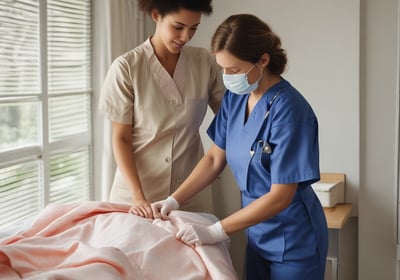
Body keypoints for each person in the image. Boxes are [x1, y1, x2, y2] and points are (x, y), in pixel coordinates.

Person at [151, 14, 329, 280]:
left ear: (263, 61)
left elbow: (281, 195)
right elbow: (214, 158)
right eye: (223, 68)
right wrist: (174, 199)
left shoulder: (290, 111)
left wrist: (215, 231)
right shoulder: (236, 99)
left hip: (294, 240)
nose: (227, 77)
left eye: (234, 70)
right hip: (256, 232)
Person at [99, 0, 224, 219]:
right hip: (137, 197)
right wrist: (138, 197)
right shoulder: (127, 68)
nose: (185, 37)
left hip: (190, 196)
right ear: (156, 15)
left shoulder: (204, 62)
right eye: (178, 27)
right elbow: (121, 139)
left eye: (193, 28)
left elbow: (231, 118)